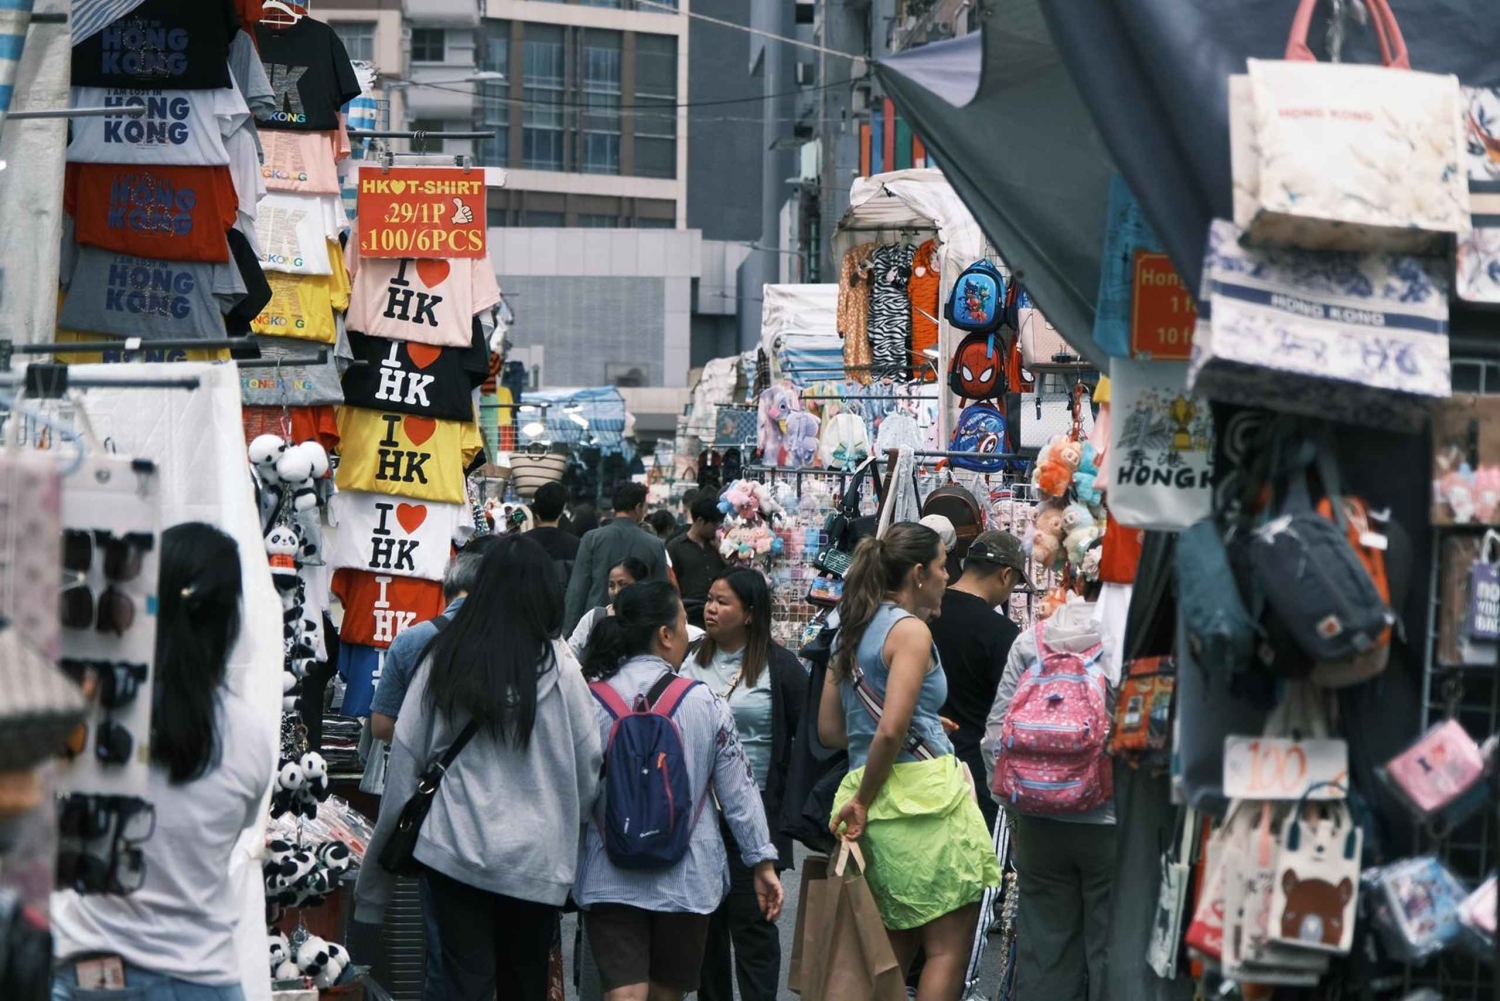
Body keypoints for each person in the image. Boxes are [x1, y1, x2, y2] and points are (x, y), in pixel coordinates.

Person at [356, 536, 603, 1001]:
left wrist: (373, 887)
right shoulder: (562, 669)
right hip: (536, 861)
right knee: (524, 983)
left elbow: (405, 761)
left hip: (454, 850)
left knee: (460, 983)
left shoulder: (445, 657)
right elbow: (589, 767)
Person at [51, 523, 275, 1000]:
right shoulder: (250, 738)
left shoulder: (91, 708)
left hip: (94, 976)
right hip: (202, 980)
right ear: (229, 619)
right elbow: (233, 830)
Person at [816, 522, 1000, 1001]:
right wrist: (865, 795)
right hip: (924, 802)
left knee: (891, 946)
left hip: (872, 801)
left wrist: (918, 726)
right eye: (941, 566)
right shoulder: (911, 631)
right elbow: (892, 729)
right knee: (945, 950)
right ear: (918, 573)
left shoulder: (849, 631)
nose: (947, 576)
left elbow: (831, 729)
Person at [577, 580, 784, 1001]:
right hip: (687, 877)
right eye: (682, 623)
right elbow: (740, 790)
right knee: (666, 993)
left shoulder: (588, 700)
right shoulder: (705, 702)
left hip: (608, 871)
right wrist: (761, 861)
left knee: (624, 993)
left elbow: (575, 792)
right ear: (665, 635)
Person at [982, 594, 1113, 1001]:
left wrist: (1016, 808)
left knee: (1044, 952)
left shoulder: (1031, 642)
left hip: (1038, 822)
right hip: (1112, 822)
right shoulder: (1126, 643)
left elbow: (994, 736)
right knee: (1111, 950)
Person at [685, 569, 806, 1001]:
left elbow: (807, 736)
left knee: (754, 925)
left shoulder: (781, 667)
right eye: (710, 599)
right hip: (696, 814)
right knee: (706, 930)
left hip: (754, 815)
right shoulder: (689, 656)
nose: (710, 609)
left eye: (723, 602)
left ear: (750, 613)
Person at [928, 530, 1027, 832]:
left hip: (920, 759)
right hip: (973, 772)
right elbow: (1010, 710)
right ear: (1005, 575)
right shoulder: (1001, 632)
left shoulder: (926, 612)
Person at [565, 482, 668, 632]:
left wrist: (568, 632)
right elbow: (661, 594)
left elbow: (577, 590)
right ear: (638, 507)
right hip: (638, 627)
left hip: (597, 626)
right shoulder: (655, 544)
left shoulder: (591, 539)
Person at [568, 557, 651, 661]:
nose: (616, 591)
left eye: (623, 584)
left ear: (640, 585)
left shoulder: (650, 622)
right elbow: (570, 654)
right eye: (611, 585)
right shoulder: (595, 617)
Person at [667, 495, 727, 628]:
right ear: (700, 521)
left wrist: (720, 550)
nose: (716, 529)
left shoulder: (717, 545)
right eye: (714, 525)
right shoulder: (675, 547)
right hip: (689, 613)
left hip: (718, 611)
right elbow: (670, 583)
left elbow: (729, 572)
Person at [527, 482, 581, 587]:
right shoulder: (575, 544)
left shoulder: (519, 542)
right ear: (562, 509)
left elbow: (510, 523)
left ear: (536, 509)